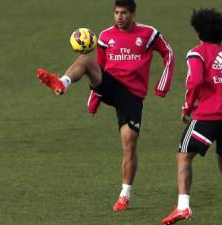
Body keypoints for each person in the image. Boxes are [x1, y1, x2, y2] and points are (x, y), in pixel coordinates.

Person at [36, 0, 174, 212]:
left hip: (132, 95)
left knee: (129, 142)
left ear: (132, 14)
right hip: (110, 85)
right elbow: (100, 67)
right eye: (116, 13)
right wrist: (94, 100)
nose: (119, 17)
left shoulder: (149, 34)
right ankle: (61, 83)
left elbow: (168, 53)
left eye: (124, 13)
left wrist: (163, 84)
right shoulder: (105, 36)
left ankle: (124, 194)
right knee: (84, 60)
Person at [161, 8, 222, 225]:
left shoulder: (197, 53)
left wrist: (187, 107)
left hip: (208, 116)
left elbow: (194, 81)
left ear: (198, 32)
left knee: (184, 155)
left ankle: (183, 207)